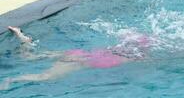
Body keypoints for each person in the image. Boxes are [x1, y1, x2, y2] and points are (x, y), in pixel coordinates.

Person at [0, 11, 184, 90]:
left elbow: (42, 73)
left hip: (94, 55)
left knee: (39, 64)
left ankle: (22, 43)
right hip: (101, 56)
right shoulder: (141, 46)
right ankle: (12, 76)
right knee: (38, 74)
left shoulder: (77, 60)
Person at [0, 26, 151, 90]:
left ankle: (23, 38)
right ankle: (10, 80)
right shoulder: (134, 58)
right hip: (74, 62)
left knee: (29, 57)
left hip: (75, 53)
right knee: (44, 77)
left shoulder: (115, 48)